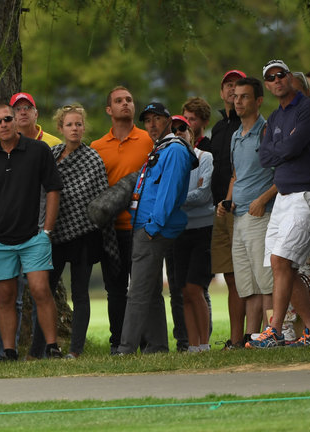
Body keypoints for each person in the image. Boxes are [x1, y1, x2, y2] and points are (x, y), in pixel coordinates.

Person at [0, 101, 63, 360]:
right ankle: (9, 351)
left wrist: (46, 230)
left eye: (8, 119)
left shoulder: (38, 150)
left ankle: (52, 346)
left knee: (40, 289)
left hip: (33, 236)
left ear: (15, 120)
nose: (3, 125)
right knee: (5, 296)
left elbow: (54, 190)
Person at [249, 59, 310, 348]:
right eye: (271, 77)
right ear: (267, 85)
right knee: (281, 266)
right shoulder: (275, 117)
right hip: (283, 197)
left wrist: (283, 149)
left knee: (282, 261)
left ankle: (275, 329)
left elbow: (290, 148)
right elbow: (264, 157)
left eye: (281, 75)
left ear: (290, 78)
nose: (277, 80)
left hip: (307, 194)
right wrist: (285, 149)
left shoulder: (308, 109)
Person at [117, 103, 197, 355]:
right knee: (150, 291)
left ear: (168, 122)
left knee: (138, 292)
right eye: (147, 120)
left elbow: (169, 192)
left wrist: (153, 226)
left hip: (152, 228)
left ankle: (125, 349)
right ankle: (157, 347)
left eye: (157, 119)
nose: (151, 125)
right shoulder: (160, 149)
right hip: (144, 226)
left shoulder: (173, 150)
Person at [90, 86, 154, 354]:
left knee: (142, 289)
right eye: (118, 101)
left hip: (141, 227)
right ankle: (118, 342)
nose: (125, 104)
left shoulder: (149, 140)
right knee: (115, 290)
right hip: (111, 231)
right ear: (109, 110)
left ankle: (147, 341)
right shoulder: (97, 147)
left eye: (129, 99)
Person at [48, 104, 113, 358]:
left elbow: (99, 199)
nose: (74, 128)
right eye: (69, 124)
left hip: (85, 235)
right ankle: (45, 346)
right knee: (46, 290)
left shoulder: (92, 158)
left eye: (78, 124)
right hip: (54, 233)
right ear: (60, 128)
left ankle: (76, 349)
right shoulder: (52, 155)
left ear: (83, 127)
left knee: (80, 292)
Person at [219, 77, 275, 344]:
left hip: (260, 216)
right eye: (236, 96)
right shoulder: (235, 136)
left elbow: (283, 175)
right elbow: (236, 175)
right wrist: (226, 201)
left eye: (244, 97)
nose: (237, 101)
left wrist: (263, 199)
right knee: (247, 286)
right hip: (238, 217)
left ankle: (272, 334)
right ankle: (251, 339)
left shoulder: (267, 133)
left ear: (258, 101)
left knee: (266, 282)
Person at [201, 69, 246, 349]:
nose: (232, 90)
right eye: (228, 85)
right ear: (222, 92)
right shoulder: (218, 128)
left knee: (248, 276)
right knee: (230, 276)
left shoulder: (250, 125)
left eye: (237, 86)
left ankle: (258, 334)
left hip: (243, 207)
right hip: (219, 210)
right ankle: (236, 338)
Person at [167, 115, 214, 353]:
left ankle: (204, 343)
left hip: (202, 229)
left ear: (191, 132)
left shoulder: (205, 157)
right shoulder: (168, 161)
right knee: (183, 291)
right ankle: (192, 345)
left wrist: (174, 200)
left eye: (182, 128)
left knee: (195, 288)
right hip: (178, 231)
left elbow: (204, 194)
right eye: (173, 130)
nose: (178, 133)